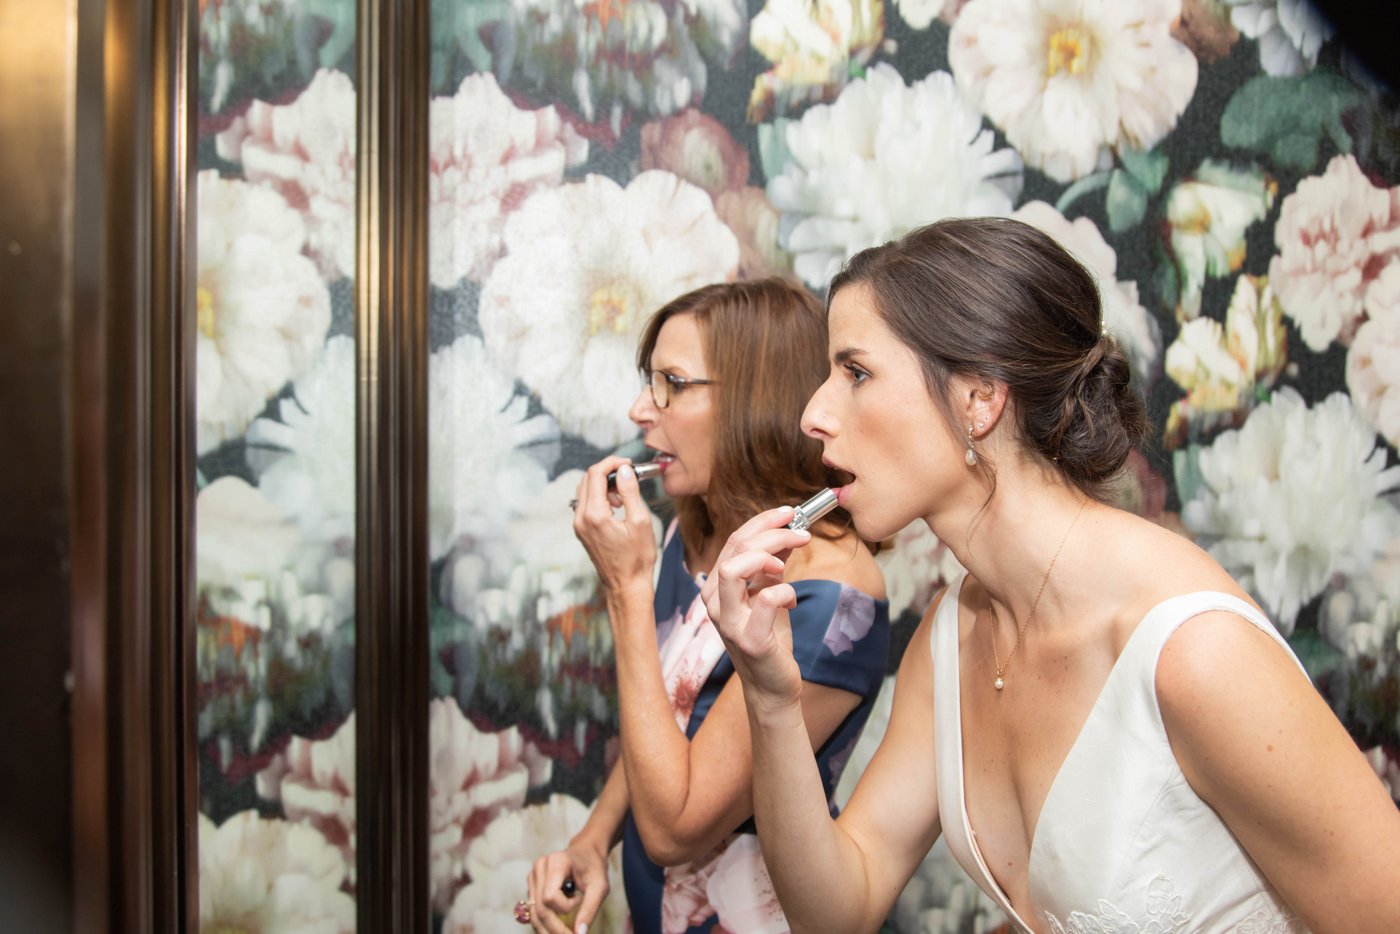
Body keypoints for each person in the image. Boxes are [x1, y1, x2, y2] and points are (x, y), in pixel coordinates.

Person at [703, 217, 1400, 933]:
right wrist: (771, 698)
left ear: (979, 398)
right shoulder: (951, 641)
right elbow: (838, 910)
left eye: (854, 372)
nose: (814, 413)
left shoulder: (1193, 651)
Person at [521, 279, 890, 934]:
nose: (640, 408)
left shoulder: (829, 603)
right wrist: (593, 837)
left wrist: (626, 591)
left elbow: (674, 831)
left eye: (671, 382)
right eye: (648, 380)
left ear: (756, 401)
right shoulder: (685, 532)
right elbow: (669, 720)